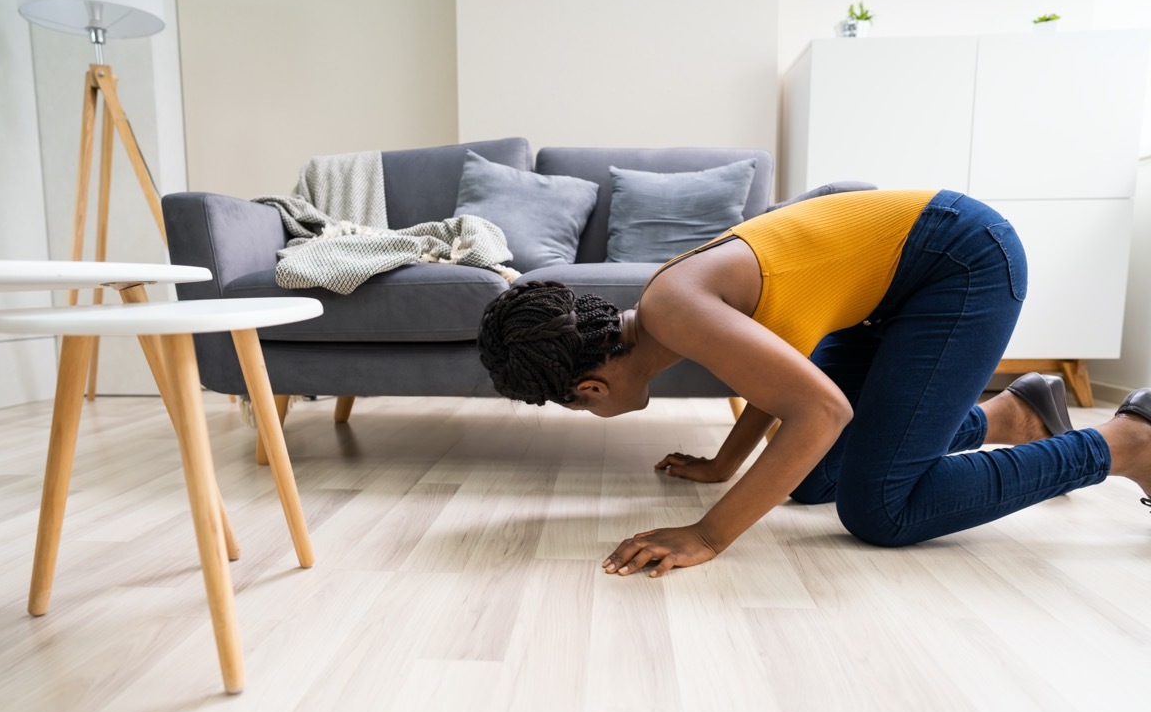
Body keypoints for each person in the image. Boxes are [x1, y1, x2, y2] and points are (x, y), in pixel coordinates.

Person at [476, 189, 1151, 578]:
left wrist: (708, 536)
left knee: (882, 511)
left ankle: (1124, 444)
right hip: (891, 292)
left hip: (956, 263)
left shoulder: (674, 311)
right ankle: (1011, 417)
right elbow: (779, 384)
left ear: (588, 388)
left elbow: (820, 409)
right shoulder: (666, 311)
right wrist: (726, 464)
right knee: (809, 478)